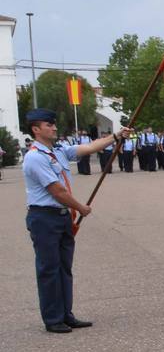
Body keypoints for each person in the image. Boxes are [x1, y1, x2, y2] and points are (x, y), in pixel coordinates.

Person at [22, 109, 126, 333]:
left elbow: (89, 148)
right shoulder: (35, 157)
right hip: (44, 218)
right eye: (49, 125)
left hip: (61, 217)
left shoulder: (58, 151)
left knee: (64, 268)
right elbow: (57, 191)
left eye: (54, 124)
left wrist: (116, 136)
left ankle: (66, 314)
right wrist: (80, 207)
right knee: (49, 269)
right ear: (36, 129)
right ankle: (53, 318)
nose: (54, 128)